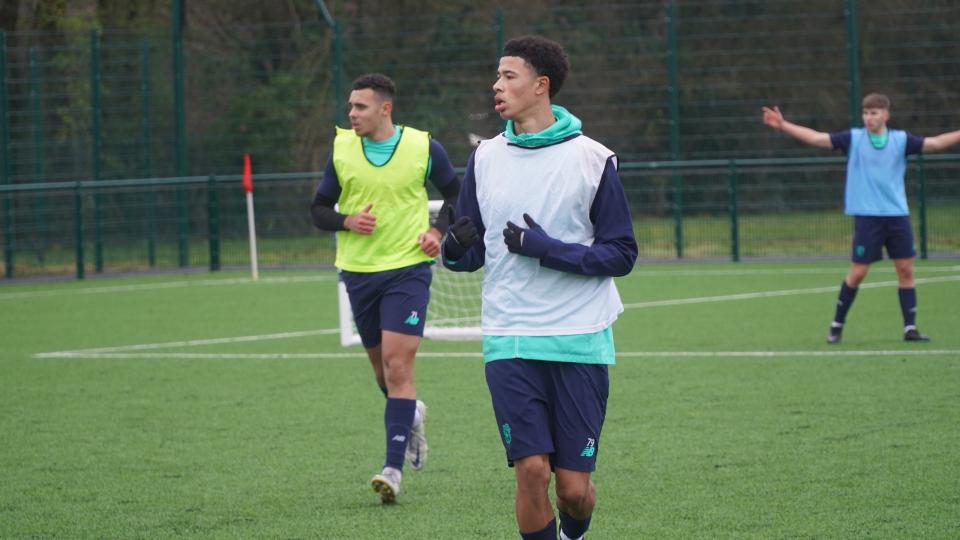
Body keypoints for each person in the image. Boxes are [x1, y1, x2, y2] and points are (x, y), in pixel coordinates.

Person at [442, 36, 637, 540]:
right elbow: (470, 255)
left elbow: (622, 254)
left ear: (541, 85)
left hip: (580, 336)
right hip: (509, 334)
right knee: (531, 472)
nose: (497, 84)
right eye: (497, 75)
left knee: (573, 491)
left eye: (509, 76)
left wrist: (546, 247)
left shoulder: (594, 159)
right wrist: (454, 249)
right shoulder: (484, 158)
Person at [310, 73, 460, 503]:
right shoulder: (341, 149)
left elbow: (457, 194)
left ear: (385, 108)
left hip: (408, 270)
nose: (352, 114)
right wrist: (346, 220)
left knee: (398, 367)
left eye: (360, 107)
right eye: (350, 107)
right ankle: (410, 413)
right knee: (382, 374)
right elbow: (318, 209)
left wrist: (438, 230)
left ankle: (392, 468)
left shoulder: (424, 147)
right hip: (358, 273)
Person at [762, 94, 960, 344]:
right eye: (866, 113)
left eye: (874, 113)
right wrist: (783, 124)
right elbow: (816, 138)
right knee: (858, 272)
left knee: (906, 270)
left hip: (897, 216)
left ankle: (910, 328)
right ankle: (836, 325)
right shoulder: (853, 139)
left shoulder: (900, 140)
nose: (869, 118)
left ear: (886, 115)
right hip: (868, 217)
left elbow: (936, 143)